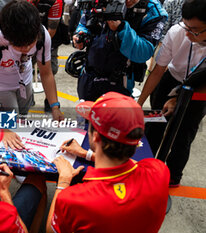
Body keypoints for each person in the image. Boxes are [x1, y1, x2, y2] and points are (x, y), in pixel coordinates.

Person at [46, 92, 170, 233]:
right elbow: (136, 164)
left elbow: (51, 229)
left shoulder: (74, 200)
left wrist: (63, 182)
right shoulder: (160, 171)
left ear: (95, 137)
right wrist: (85, 154)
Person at [0, 0, 64, 149]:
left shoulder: (42, 35)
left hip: (25, 81)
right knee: (11, 129)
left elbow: (46, 73)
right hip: (0, 88)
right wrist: (4, 129)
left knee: (22, 118)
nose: (26, 49)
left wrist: (55, 106)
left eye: (30, 44)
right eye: (19, 46)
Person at [137, 0, 206, 187]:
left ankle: (173, 176)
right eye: (186, 26)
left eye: (195, 30)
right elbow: (158, 71)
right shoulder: (177, 32)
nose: (188, 33)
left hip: (200, 90)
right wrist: (140, 102)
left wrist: (180, 99)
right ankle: (146, 168)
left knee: (184, 133)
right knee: (155, 124)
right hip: (172, 79)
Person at [73, 0, 167, 101]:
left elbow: (143, 52)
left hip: (119, 81)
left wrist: (121, 28)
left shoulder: (153, 11)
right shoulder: (99, 2)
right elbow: (84, 22)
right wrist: (80, 35)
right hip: (89, 76)